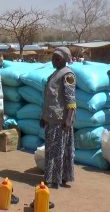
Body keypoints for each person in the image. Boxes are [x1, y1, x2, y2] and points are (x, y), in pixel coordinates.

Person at [40, 47, 76, 189]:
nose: (54, 60)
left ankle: (57, 179)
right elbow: (49, 98)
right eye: (53, 57)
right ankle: (52, 177)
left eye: (57, 58)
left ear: (65, 59)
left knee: (59, 151)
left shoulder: (68, 75)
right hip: (51, 118)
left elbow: (71, 100)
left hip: (61, 120)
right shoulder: (55, 74)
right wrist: (43, 117)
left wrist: (68, 119)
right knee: (51, 149)